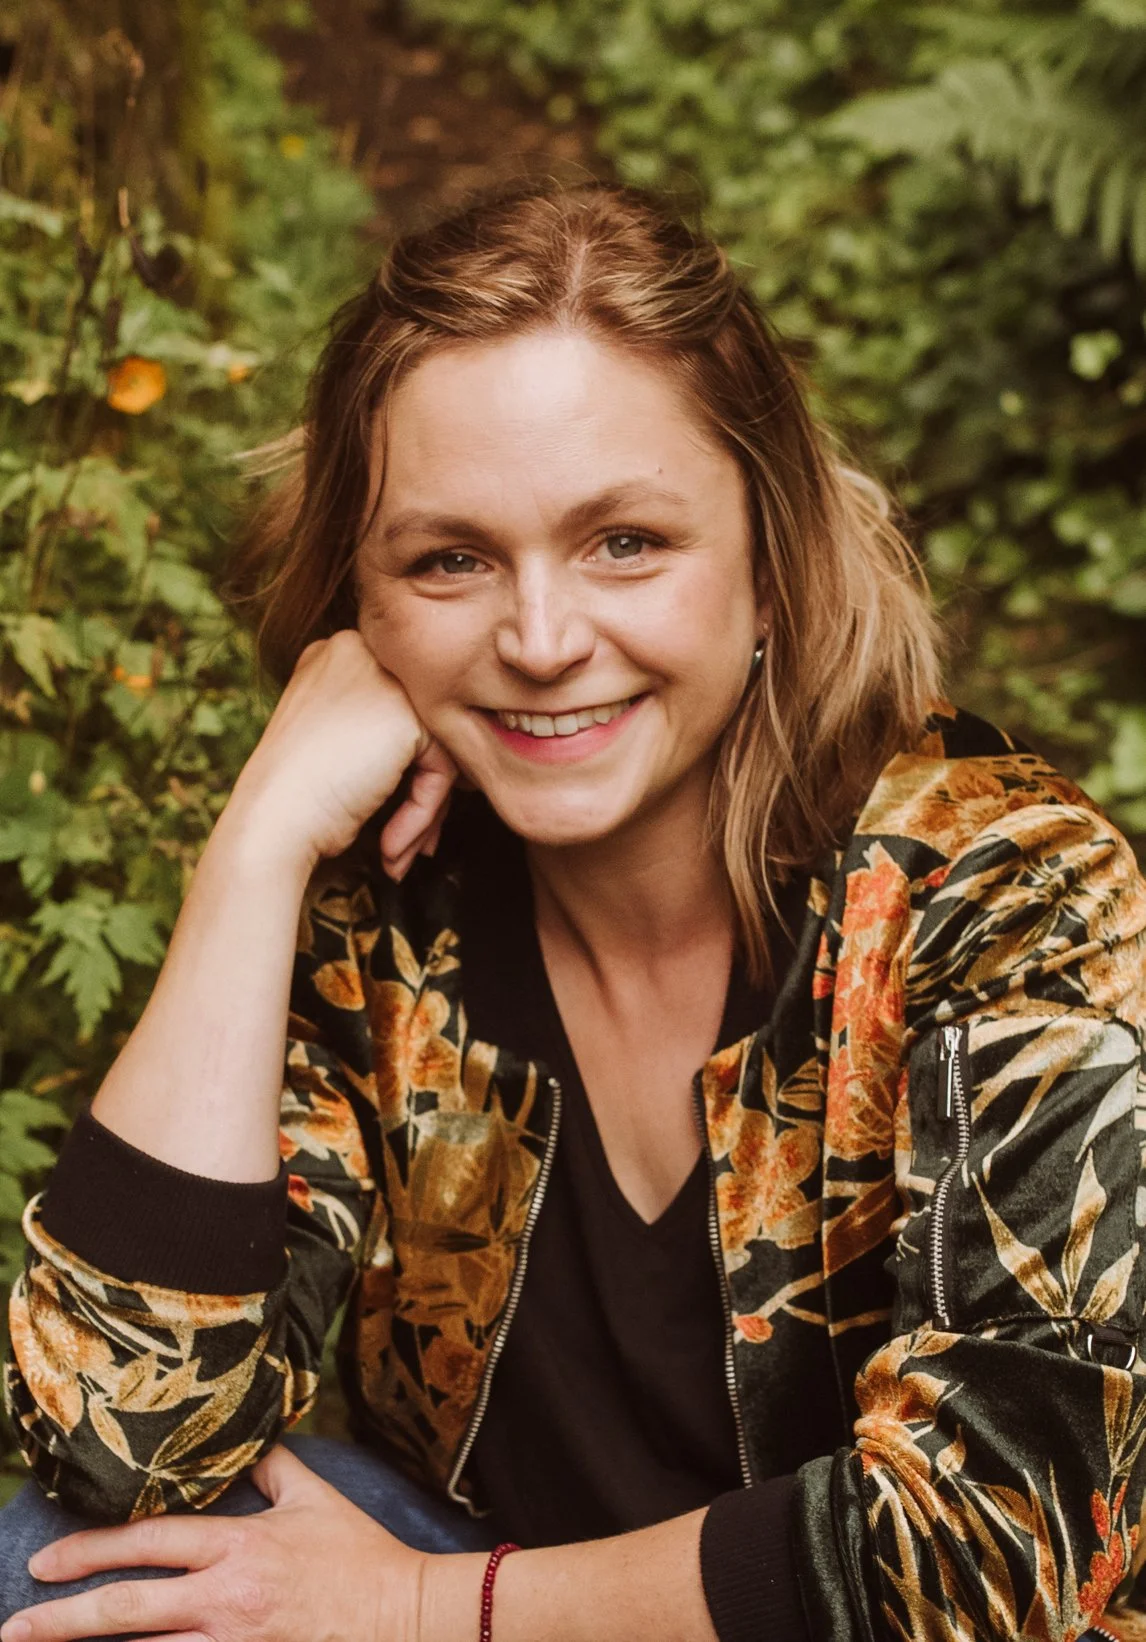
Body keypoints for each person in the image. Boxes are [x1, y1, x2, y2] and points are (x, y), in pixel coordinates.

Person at [1, 178, 1144, 1642]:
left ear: (768, 565)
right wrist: (259, 843)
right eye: (449, 559)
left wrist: (429, 1607)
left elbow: (997, 1544)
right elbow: (121, 1444)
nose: (540, 642)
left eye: (624, 542)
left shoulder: (998, 888)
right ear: (360, 596)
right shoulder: (385, 913)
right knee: (62, 1554)